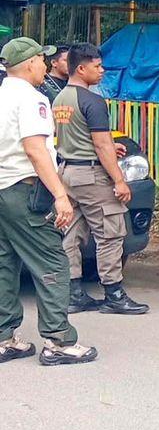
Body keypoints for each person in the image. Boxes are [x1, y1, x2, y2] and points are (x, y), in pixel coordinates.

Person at [0, 37, 95, 367]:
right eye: (42, 59)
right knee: (53, 261)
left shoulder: (1, 96)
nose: (46, 65)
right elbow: (36, 150)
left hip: (1, 191)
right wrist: (60, 196)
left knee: (5, 262)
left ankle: (4, 338)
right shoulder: (32, 99)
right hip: (24, 189)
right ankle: (58, 341)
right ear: (28, 64)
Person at [52, 43, 146, 315]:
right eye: (97, 66)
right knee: (110, 232)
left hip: (67, 173)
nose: (102, 71)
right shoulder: (92, 100)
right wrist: (119, 180)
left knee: (71, 233)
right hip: (91, 176)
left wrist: (101, 147)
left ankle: (73, 292)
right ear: (81, 68)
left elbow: (75, 136)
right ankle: (114, 293)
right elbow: (103, 145)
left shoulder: (60, 100)